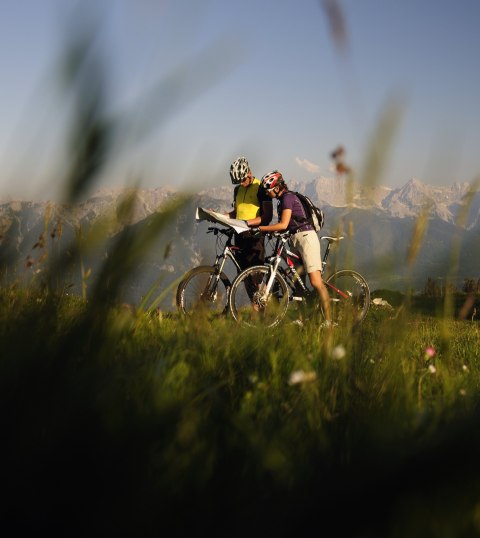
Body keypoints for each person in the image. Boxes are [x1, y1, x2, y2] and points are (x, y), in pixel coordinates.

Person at [254, 170, 333, 326]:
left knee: (316, 281)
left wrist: (262, 229)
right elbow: (286, 226)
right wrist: (274, 232)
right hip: (294, 239)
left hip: (306, 238)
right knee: (297, 283)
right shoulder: (282, 200)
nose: (267, 193)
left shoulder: (288, 198)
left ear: (276, 187)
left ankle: (329, 321)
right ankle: (301, 319)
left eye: (268, 190)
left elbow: (283, 224)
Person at [227, 156, 272, 269]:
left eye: (242, 180)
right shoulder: (237, 189)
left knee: (256, 277)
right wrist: (218, 216)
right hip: (239, 236)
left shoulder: (261, 188)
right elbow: (236, 212)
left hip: (255, 237)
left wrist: (247, 223)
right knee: (243, 275)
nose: (241, 184)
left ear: (249, 173)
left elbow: (267, 216)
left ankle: (264, 287)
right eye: (238, 181)